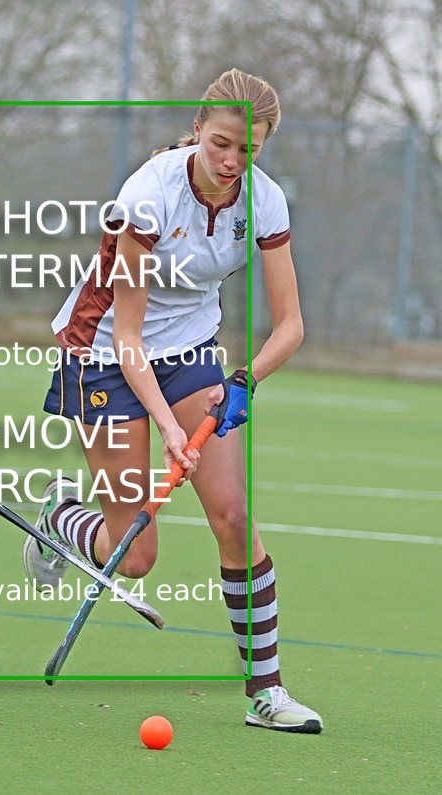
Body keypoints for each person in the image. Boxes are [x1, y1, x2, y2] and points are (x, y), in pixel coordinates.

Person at [24, 68, 323, 733]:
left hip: (190, 350)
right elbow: (127, 337)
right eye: (221, 143)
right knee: (136, 554)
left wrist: (245, 379)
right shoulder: (148, 196)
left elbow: (291, 324)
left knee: (233, 514)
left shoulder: (263, 203)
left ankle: (266, 692)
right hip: (102, 352)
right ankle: (60, 516)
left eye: (248, 150)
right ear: (196, 130)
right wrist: (167, 428)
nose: (230, 161)